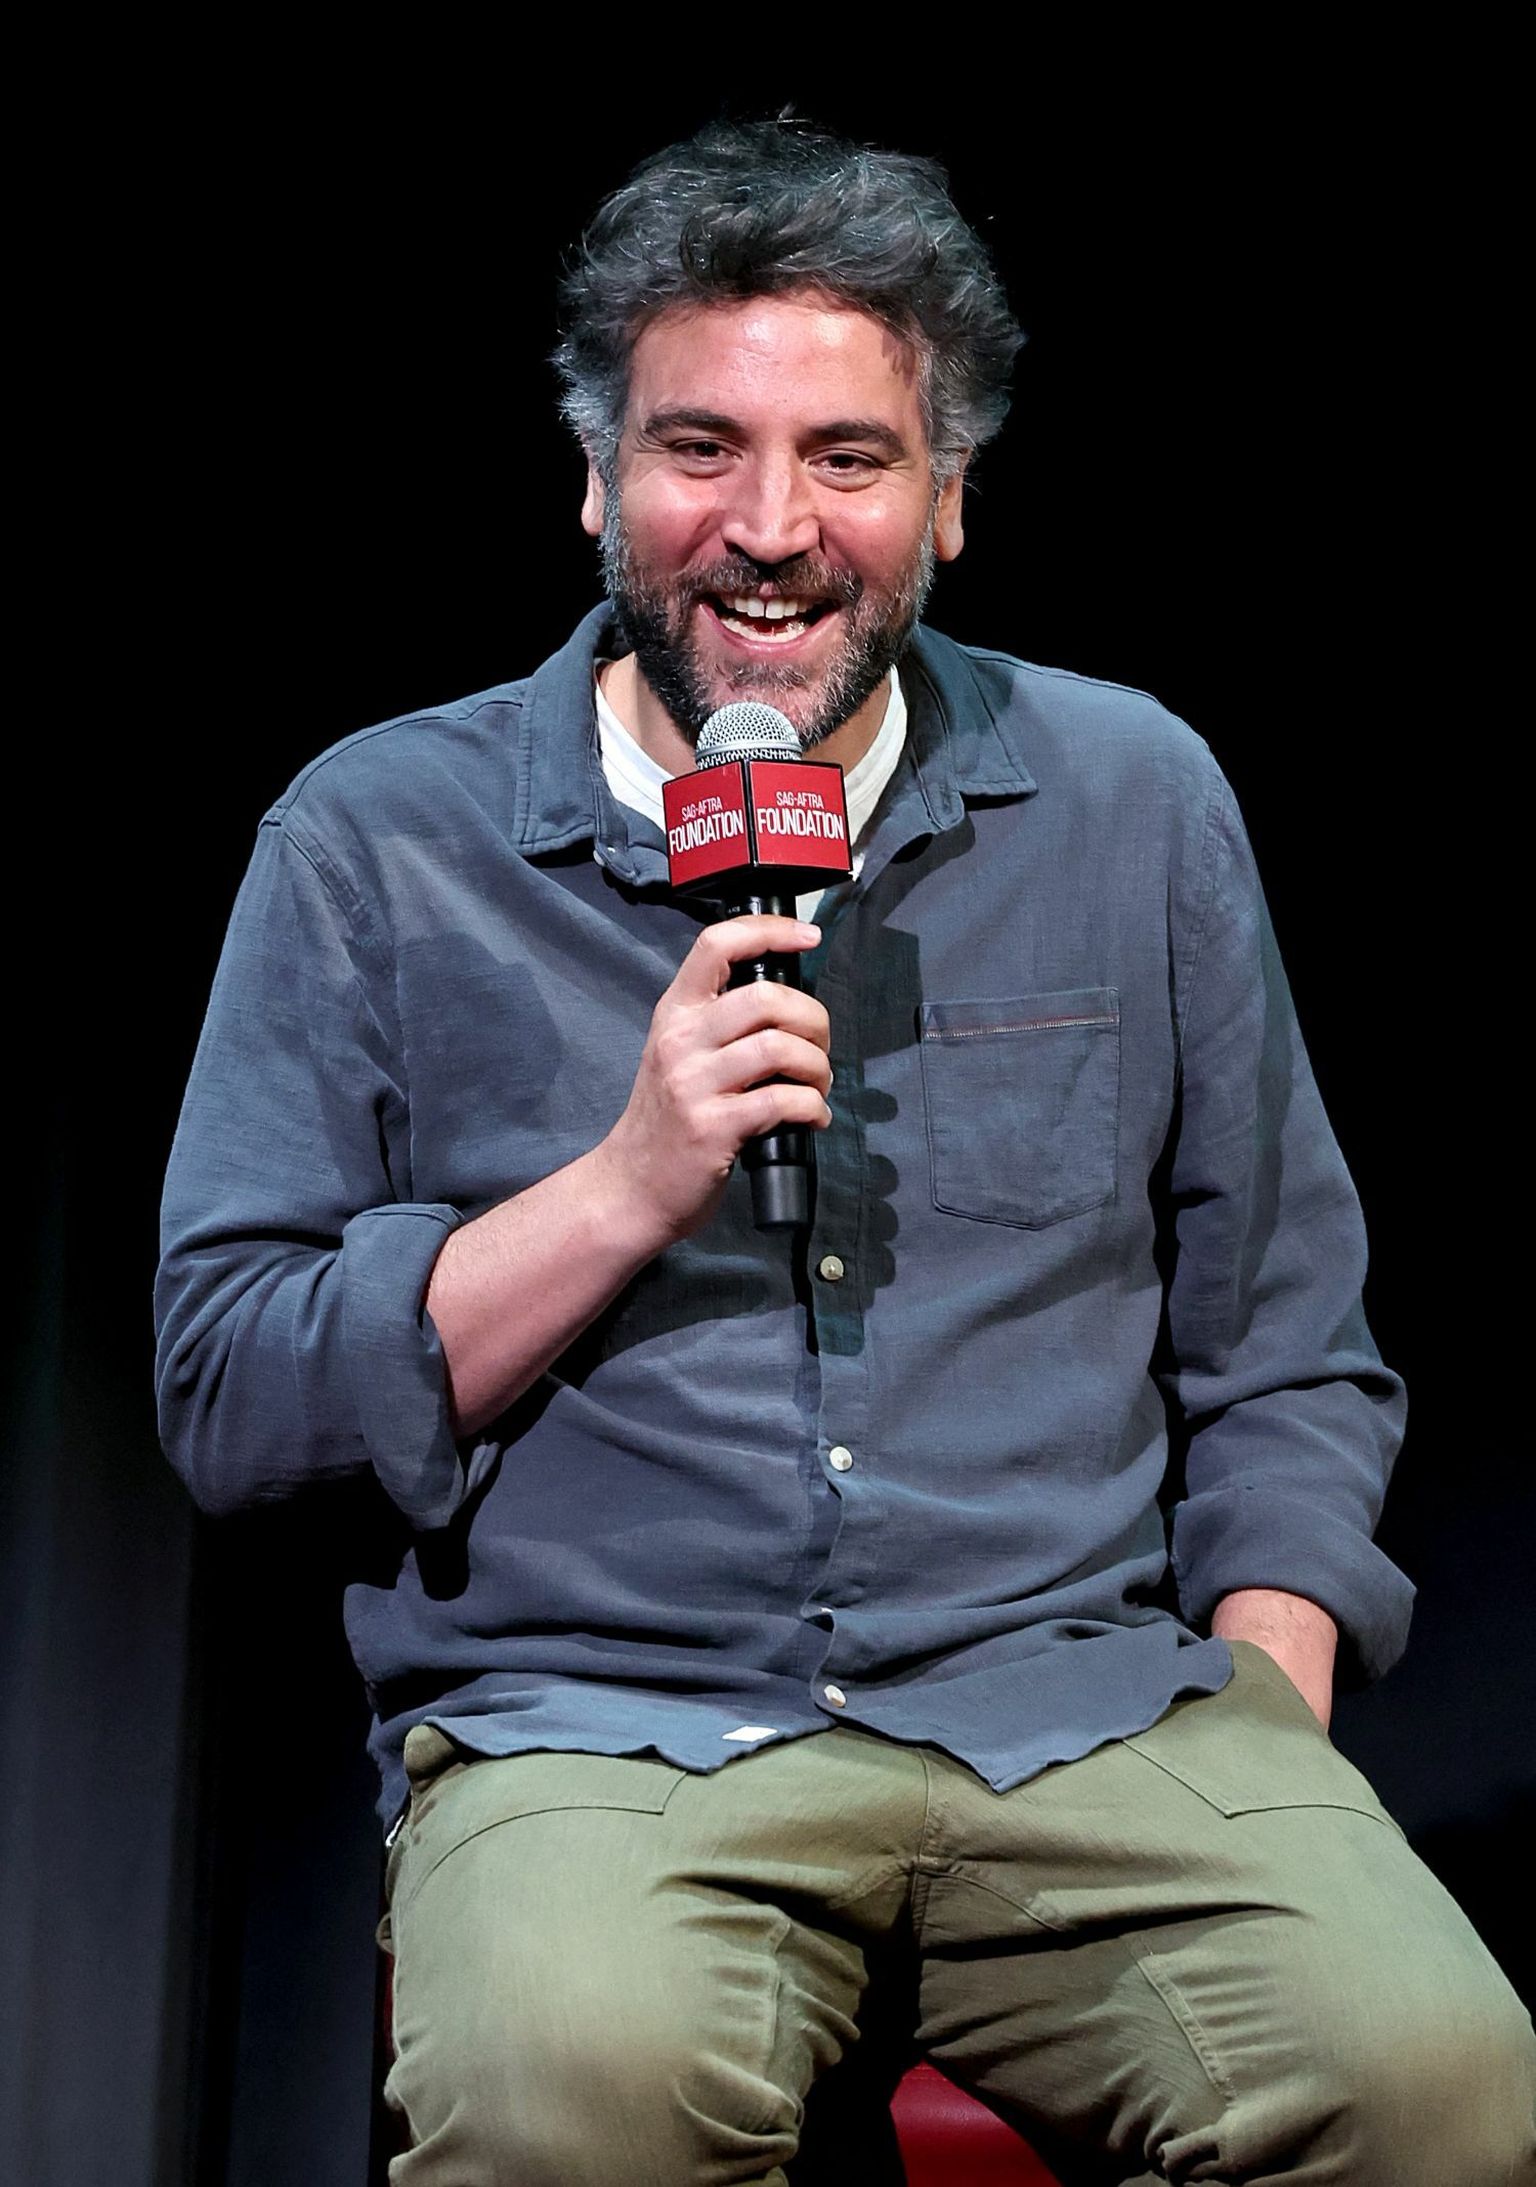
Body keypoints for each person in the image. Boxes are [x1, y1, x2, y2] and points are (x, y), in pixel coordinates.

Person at [156, 119, 1534, 2186]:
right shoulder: (376, 838)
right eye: (700, 448)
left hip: (1082, 1709)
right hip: (600, 1717)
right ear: (597, 476)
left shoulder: (1129, 793)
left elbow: (1285, 1337)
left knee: (1432, 2069)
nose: (771, 527)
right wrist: (625, 1182)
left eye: (851, 458)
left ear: (950, 497)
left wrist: (1268, 1704)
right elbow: (229, 1386)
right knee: (566, 2088)